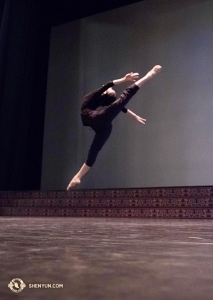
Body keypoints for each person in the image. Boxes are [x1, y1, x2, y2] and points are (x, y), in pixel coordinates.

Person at [67, 65, 162, 190]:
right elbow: (111, 91)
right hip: (96, 119)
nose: (112, 90)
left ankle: (77, 177)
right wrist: (124, 79)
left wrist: (132, 115)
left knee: (94, 150)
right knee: (126, 93)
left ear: (105, 93)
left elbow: (113, 97)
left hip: (98, 123)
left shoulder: (96, 100)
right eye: (112, 91)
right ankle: (149, 75)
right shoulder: (90, 99)